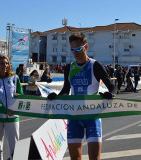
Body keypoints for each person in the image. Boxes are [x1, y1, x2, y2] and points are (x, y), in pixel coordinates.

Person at [47, 32, 116, 160]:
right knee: (75, 158)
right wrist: (55, 96)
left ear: (86, 47)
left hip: (92, 116)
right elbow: (66, 89)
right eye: (72, 49)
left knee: (94, 158)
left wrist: (111, 94)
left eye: (78, 48)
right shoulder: (69, 68)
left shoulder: (95, 65)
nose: (75, 52)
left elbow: (112, 86)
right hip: (74, 116)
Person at [0, 54, 23, 160]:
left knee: (15, 148)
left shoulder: (15, 78)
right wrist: (5, 110)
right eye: (2, 63)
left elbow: (20, 95)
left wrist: (18, 99)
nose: (5, 65)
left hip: (13, 117)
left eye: (7, 63)